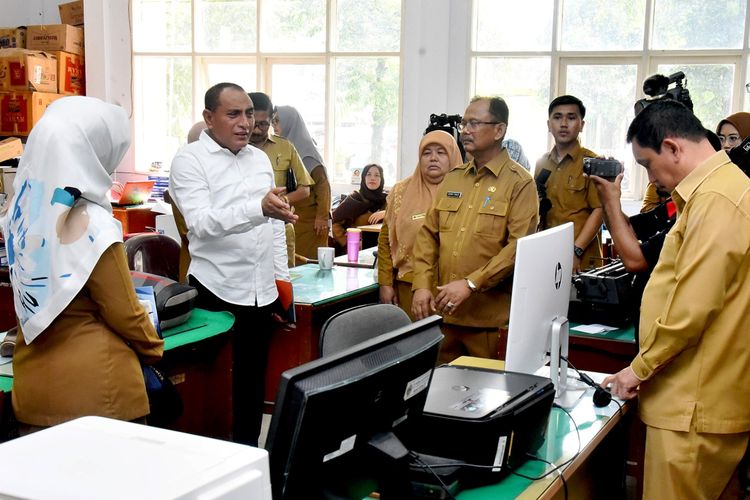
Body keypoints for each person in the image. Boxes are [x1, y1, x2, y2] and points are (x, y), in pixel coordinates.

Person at [602, 100, 750, 499]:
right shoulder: (718, 192)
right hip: (699, 398)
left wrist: (638, 369)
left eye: (648, 164)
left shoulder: (717, 199)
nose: (651, 177)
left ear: (672, 148)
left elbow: (692, 308)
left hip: (693, 405)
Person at [1, 96, 164, 433]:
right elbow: (125, 312)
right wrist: (154, 348)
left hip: (32, 387)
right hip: (99, 392)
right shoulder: (93, 225)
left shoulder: (19, 216)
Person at [169, 82, 295, 446]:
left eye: (249, 113)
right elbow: (201, 224)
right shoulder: (189, 160)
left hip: (261, 291)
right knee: (216, 388)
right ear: (209, 118)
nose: (245, 122)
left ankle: (247, 459)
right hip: (216, 289)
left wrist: (281, 283)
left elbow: (273, 226)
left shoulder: (258, 159)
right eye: (233, 114)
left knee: (253, 388)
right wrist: (258, 209)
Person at [411, 96, 538, 364]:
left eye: (474, 123)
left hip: (487, 321)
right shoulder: (454, 178)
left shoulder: (520, 183)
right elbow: (428, 236)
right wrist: (421, 285)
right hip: (443, 316)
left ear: (499, 130)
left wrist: (471, 284)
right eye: (464, 123)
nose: (465, 130)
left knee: (486, 400)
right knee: (438, 398)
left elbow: (518, 248)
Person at [377, 130, 462, 320]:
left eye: (441, 153)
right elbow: (386, 240)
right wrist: (385, 283)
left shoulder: (467, 191)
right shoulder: (401, 191)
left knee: (446, 347)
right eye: (426, 153)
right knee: (414, 344)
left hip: (452, 290)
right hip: (409, 287)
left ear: (453, 157)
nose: (433, 158)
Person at [535, 95, 602, 272]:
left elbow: (600, 209)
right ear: (549, 125)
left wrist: (576, 250)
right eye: (557, 117)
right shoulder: (542, 163)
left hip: (582, 260)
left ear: (581, 125)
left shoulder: (592, 162)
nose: (563, 124)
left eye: (571, 118)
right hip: (548, 255)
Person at [248, 92, 313, 268]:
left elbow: (305, 189)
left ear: (272, 119)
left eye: (263, 124)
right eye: (253, 123)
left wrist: (281, 201)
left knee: (284, 281)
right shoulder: (234, 148)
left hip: (280, 227)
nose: (256, 130)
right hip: (245, 228)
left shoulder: (285, 147)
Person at [273, 105, 332, 260]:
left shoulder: (307, 152)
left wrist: (322, 217)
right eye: (273, 121)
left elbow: (323, 187)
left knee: (309, 265)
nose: (274, 126)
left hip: (312, 223)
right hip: (294, 217)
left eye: (278, 121)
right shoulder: (283, 149)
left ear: (290, 123)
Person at [331, 163, 387, 248]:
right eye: (368, 174)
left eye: (377, 175)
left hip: (381, 249)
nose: (372, 178)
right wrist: (349, 244)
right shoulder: (355, 198)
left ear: (381, 179)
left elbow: (400, 218)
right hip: (357, 250)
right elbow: (334, 222)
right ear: (363, 178)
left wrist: (385, 213)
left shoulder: (387, 200)